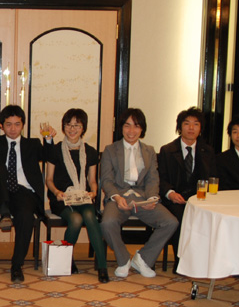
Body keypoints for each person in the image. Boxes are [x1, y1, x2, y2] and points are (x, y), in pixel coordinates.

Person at [99, 108, 178, 279]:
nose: (131, 131)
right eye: (127, 126)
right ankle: (123, 260)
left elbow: (152, 179)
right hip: (119, 196)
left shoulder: (149, 151)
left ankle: (142, 259)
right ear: (121, 127)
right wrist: (116, 197)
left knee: (170, 222)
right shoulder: (110, 150)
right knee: (107, 223)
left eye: (136, 126)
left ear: (142, 129)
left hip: (142, 197)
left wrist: (151, 198)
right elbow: (106, 180)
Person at [0, 105, 53, 283]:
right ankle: (4, 210)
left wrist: (49, 139)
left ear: (23, 125)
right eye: (8, 124)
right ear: (2, 125)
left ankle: (17, 265)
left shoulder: (32, 144)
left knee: (26, 216)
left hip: (23, 192)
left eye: (17, 124)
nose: (13, 129)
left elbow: (50, 156)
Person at [45, 108, 109, 283]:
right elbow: (49, 179)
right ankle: (67, 259)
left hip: (82, 197)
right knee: (75, 219)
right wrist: (56, 192)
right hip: (61, 198)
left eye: (77, 125)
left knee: (89, 215)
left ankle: (102, 267)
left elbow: (92, 180)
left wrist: (93, 192)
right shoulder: (55, 150)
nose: (72, 129)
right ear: (63, 127)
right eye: (69, 125)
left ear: (83, 128)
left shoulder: (91, 152)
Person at [157, 107, 216, 272]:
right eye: (187, 123)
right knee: (180, 218)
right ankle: (181, 261)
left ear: (200, 128)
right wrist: (170, 193)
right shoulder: (167, 150)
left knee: (209, 217)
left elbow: (213, 178)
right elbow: (160, 178)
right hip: (175, 199)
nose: (191, 128)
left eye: (196, 124)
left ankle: (204, 261)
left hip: (200, 199)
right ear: (179, 127)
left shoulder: (207, 151)